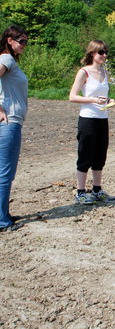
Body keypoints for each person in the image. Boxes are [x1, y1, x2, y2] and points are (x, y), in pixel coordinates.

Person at [69, 40, 115, 204]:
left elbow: (102, 97)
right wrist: (93, 100)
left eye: (105, 52)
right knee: (85, 155)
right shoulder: (84, 72)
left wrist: (108, 100)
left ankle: (97, 189)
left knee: (100, 155)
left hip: (103, 119)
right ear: (92, 53)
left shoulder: (104, 73)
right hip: (87, 119)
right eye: (101, 52)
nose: (104, 55)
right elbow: (72, 96)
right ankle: (80, 192)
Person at [0, 25, 29, 232]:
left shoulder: (7, 60)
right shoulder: (6, 59)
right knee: (5, 173)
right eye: (22, 41)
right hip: (9, 122)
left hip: (11, 121)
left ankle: (4, 214)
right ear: (10, 40)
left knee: (5, 172)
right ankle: (2, 220)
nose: (24, 46)